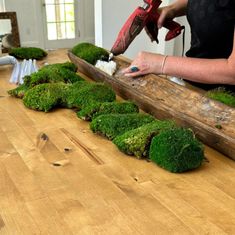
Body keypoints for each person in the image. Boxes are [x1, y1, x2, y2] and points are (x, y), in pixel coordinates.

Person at [122, 0, 235, 92]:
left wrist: (161, 63)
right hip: (195, 85)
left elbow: (232, 72)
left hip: (227, 99)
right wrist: (173, 9)